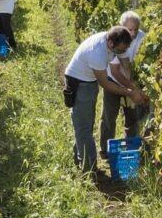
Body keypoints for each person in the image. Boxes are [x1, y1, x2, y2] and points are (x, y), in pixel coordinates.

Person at [63, 26, 147, 173]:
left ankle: (79, 159)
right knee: (84, 127)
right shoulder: (97, 53)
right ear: (110, 43)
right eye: (120, 50)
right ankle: (89, 169)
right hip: (80, 83)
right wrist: (130, 93)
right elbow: (106, 84)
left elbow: (119, 68)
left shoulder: (111, 40)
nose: (122, 52)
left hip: (89, 80)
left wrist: (133, 88)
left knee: (86, 123)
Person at [99, 11, 148, 159]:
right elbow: (116, 71)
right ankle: (105, 150)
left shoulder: (143, 38)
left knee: (132, 117)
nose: (132, 33)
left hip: (132, 81)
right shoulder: (116, 38)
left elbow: (133, 65)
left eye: (135, 29)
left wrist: (133, 87)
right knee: (109, 116)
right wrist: (130, 89)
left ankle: (130, 148)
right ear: (121, 26)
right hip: (113, 81)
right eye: (129, 29)